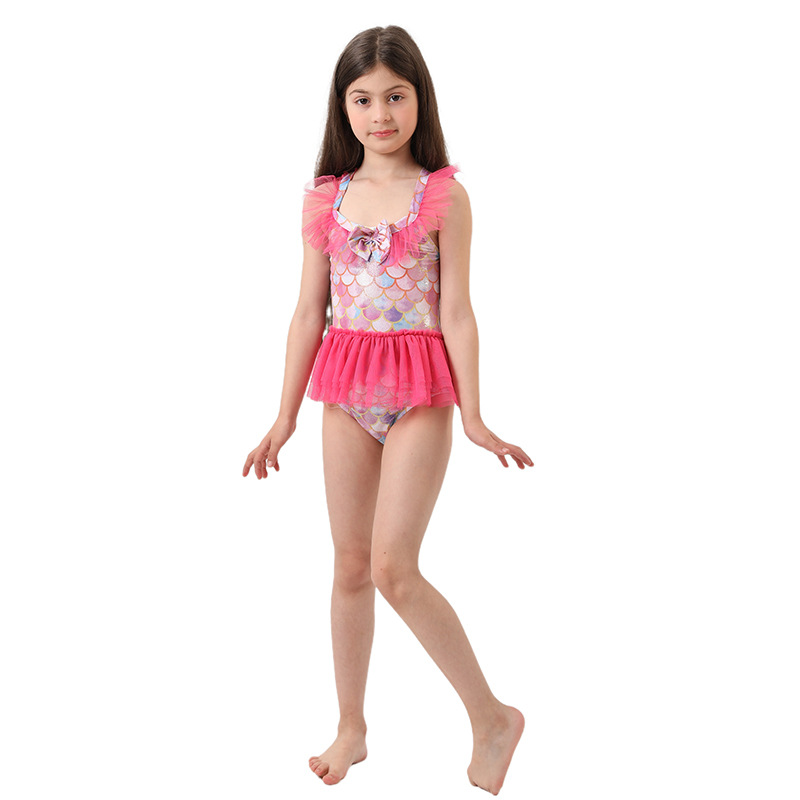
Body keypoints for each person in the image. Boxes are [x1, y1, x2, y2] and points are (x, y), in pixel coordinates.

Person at [242, 25, 533, 796]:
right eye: (363, 99)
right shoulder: (325, 200)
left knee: (392, 568)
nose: (380, 114)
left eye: (395, 97)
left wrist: (474, 414)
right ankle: (352, 727)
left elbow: (458, 312)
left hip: (420, 391)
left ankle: (492, 717)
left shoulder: (444, 197)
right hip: (344, 391)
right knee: (348, 566)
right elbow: (308, 312)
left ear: (419, 100)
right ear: (343, 108)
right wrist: (284, 417)